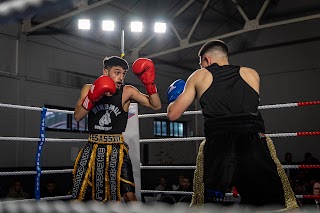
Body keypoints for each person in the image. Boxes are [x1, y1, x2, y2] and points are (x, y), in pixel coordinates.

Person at [166, 40, 298, 210]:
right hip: (254, 143)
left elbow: (173, 114)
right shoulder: (251, 74)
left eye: (201, 64)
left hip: (220, 145)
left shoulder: (200, 75)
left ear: (206, 60)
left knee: (210, 205)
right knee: (269, 204)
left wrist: (173, 99)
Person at [71, 56, 161, 202]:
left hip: (117, 149)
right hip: (93, 147)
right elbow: (77, 116)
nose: (121, 77)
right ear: (105, 72)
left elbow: (156, 106)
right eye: (117, 72)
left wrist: (149, 84)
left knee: (129, 194)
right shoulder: (89, 89)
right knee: (81, 192)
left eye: (124, 73)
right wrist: (92, 98)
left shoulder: (127, 91)